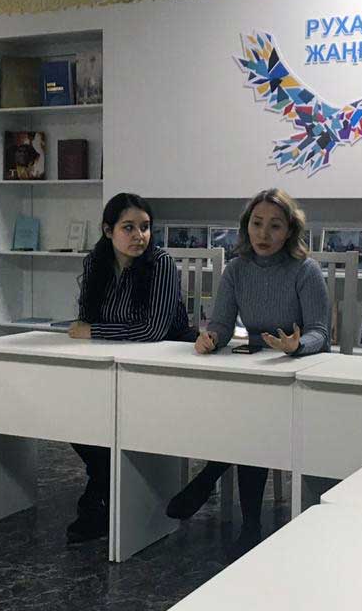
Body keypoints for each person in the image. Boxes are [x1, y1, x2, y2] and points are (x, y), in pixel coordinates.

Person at [165, 188, 329, 557]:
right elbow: (222, 324)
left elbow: (320, 331)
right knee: (248, 413)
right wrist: (210, 338)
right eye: (257, 224)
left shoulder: (305, 270)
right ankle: (246, 520)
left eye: (275, 226)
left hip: (300, 372)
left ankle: (214, 483)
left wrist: (295, 346)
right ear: (246, 227)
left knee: (253, 418)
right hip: (257, 370)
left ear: (290, 231)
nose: (263, 234)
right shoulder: (237, 269)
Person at [65, 193, 190, 544]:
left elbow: (153, 332)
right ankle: (106, 483)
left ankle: (98, 496)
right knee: (72, 414)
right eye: (129, 228)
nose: (140, 236)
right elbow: (85, 320)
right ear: (108, 231)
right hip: (112, 363)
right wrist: (94, 331)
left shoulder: (161, 263)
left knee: (116, 417)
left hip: (162, 367)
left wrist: (95, 331)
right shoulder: (96, 263)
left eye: (145, 227)